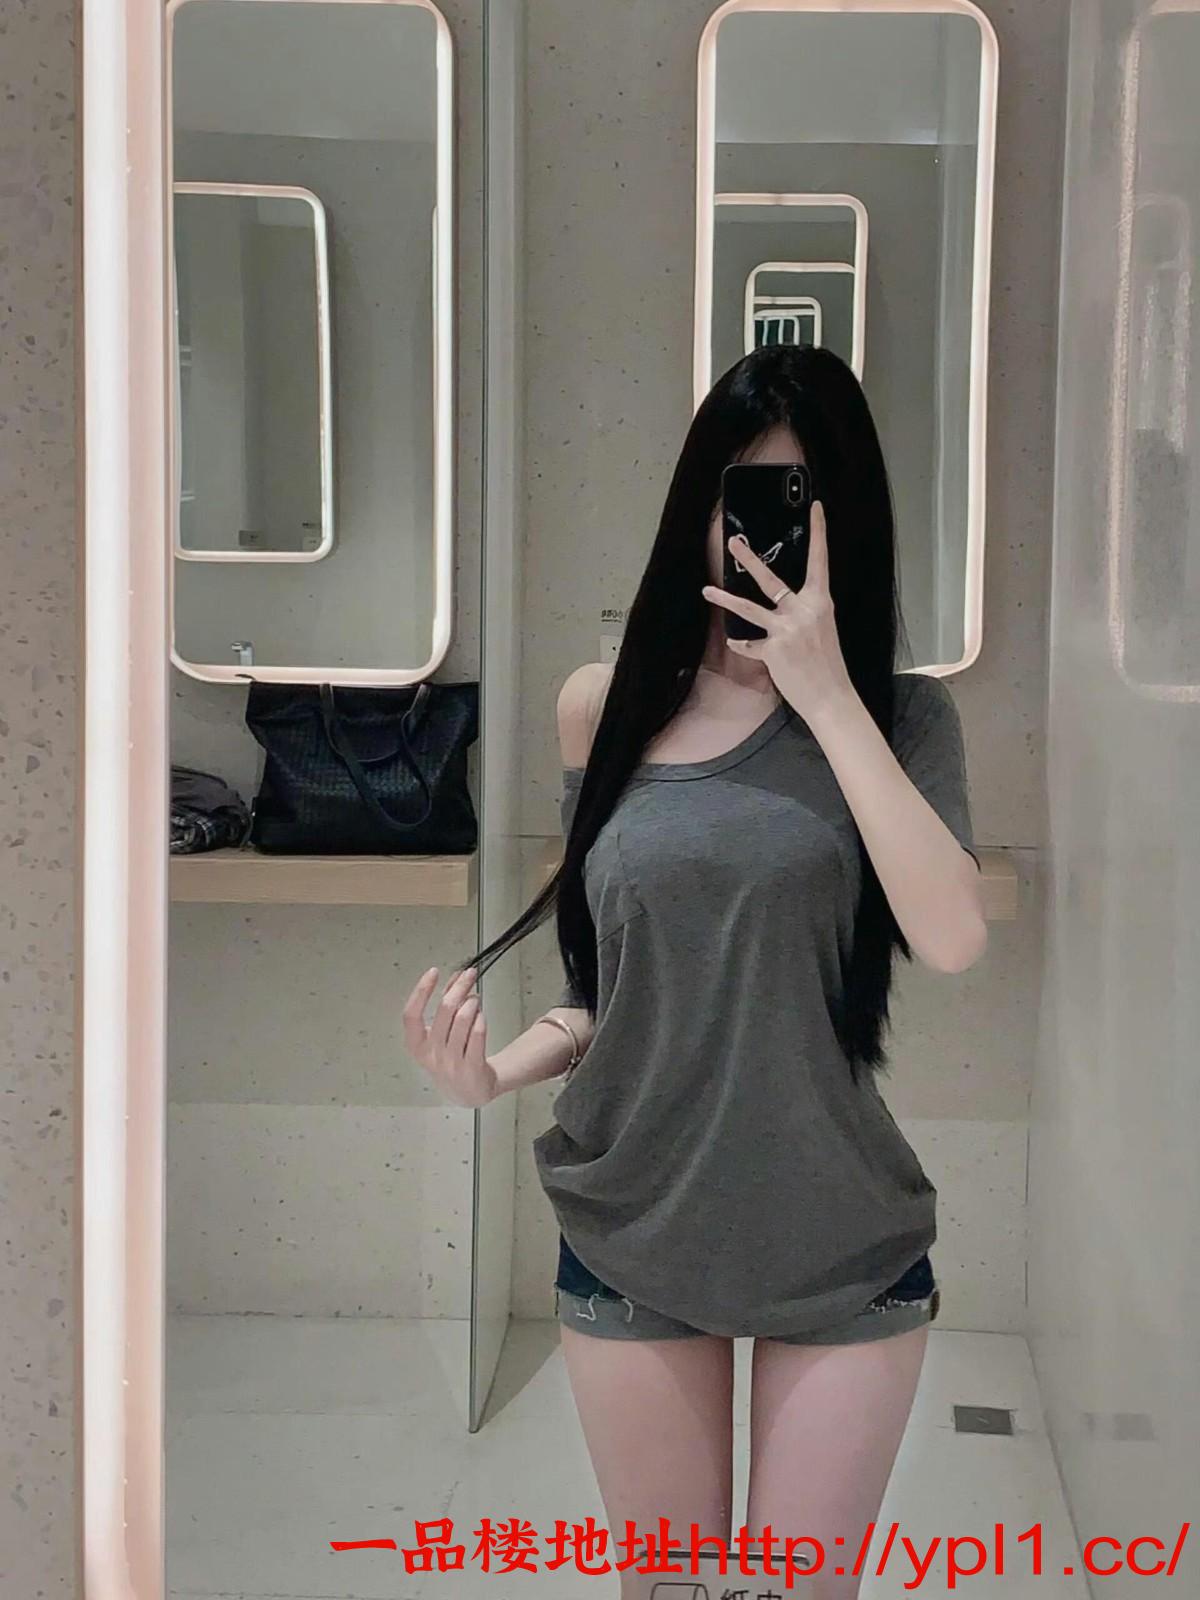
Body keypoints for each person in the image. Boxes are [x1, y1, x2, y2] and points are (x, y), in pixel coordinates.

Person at [402, 344, 987, 1600]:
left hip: (838, 1233)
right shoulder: (604, 705)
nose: (760, 533)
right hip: (636, 1224)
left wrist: (828, 696)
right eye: (739, 496)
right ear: (697, 511)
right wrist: (493, 1075)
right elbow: (604, 991)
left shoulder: (904, 721)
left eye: (796, 499)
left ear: (846, 522)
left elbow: (951, 937)